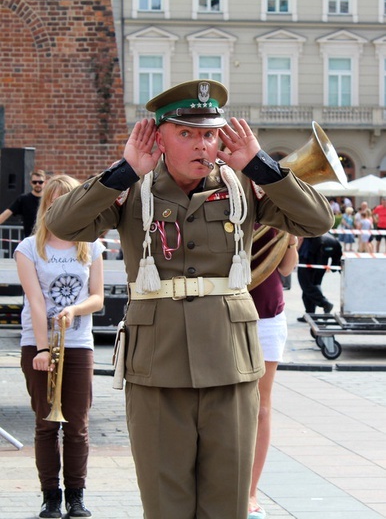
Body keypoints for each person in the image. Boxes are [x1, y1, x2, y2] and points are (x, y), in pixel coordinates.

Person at [45, 79, 334, 519]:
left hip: (229, 363)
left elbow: (317, 221)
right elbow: (63, 225)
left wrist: (261, 165)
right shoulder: (132, 188)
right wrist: (123, 170)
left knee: (227, 504)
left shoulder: (244, 185)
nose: (203, 144)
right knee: (165, 505)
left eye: (210, 133)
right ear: (159, 136)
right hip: (157, 367)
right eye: (187, 133)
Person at [14, 175, 105, 519]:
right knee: (46, 424)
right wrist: (41, 349)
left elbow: (96, 297)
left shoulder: (91, 246)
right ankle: (51, 496)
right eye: (54, 202)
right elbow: (35, 301)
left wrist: (74, 310)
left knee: (78, 424)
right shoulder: (28, 248)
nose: (60, 207)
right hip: (38, 344)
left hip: (78, 343)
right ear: (46, 205)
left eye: (68, 201)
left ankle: (76, 496)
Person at [248, 226, 298, 519]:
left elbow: (287, 268)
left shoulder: (277, 205)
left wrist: (290, 240)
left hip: (268, 314)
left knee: (261, 409)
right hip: (225, 311)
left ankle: (251, 492)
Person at [297, 233, 342, 320]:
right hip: (320, 262)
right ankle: (310, 314)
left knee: (306, 285)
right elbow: (338, 254)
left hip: (308, 257)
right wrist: (334, 266)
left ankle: (324, 303)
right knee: (313, 286)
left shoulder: (308, 229)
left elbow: (300, 238)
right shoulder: (334, 240)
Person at [0, 169, 47, 237]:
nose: (37, 184)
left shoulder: (49, 199)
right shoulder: (23, 199)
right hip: (30, 240)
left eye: (40, 182)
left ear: (45, 182)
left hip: (47, 239)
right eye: (35, 182)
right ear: (31, 183)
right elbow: (6, 214)